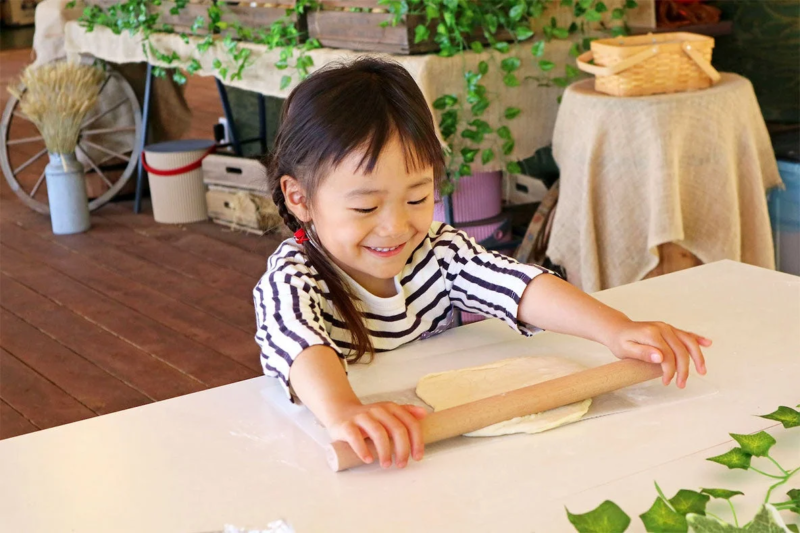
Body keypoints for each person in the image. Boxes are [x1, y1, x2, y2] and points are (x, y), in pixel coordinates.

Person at [254, 57, 711, 470]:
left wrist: (614, 329)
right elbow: (298, 343)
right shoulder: (293, 277)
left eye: (417, 197)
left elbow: (519, 285)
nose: (395, 227)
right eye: (366, 208)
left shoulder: (437, 251)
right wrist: (344, 411)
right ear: (301, 199)